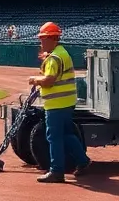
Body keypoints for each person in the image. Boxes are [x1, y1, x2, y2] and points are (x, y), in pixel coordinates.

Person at [27, 22, 90, 184]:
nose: (41, 42)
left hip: (57, 104)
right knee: (67, 134)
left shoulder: (54, 57)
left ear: (51, 39)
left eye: (43, 39)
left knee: (53, 137)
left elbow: (49, 80)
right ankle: (83, 161)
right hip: (67, 102)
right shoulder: (62, 53)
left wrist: (34, 80)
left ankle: (56, 171)